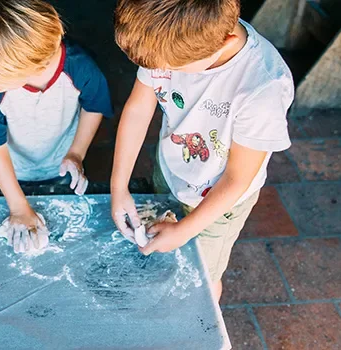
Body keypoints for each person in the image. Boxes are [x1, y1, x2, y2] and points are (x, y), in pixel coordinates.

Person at [110, 0, 294, 302]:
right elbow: (139, 108)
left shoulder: (262, 89)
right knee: (164, 248)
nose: (162, 71)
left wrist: (184, 231)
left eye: (174, 67)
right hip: (171, 169)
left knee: (202, 278)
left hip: (220, 202)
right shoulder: (163, 40)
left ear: (226, 41)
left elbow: (237, 178)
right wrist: (119, 186)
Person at [0, 0, 113, 253]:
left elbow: (93, 107)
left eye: (0, 81)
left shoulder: (80, 68)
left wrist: (77, 153)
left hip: (60, 161)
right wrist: (17, 207)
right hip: (10, 168)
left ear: (29, 66)